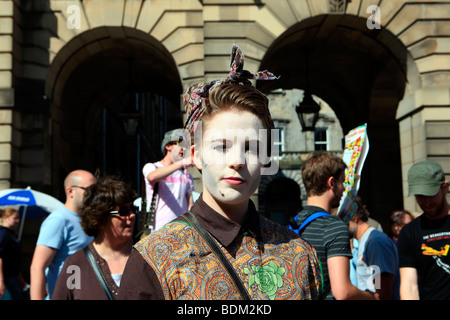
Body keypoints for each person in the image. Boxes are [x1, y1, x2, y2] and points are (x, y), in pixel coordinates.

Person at [118, 44, 322, 300]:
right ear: (196, 156)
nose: (237, 161)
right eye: (221, 146)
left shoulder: (300, 254)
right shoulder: (154, 259)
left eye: (252, 148)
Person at [293, 151, 378, 300]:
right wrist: (371, 297)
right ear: (332, 183)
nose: (344, 188)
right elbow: (343, 292)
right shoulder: (334, 227)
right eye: (342, 182)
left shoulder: (291, 223)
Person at [52, 176, 136, 300]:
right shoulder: (75, 266)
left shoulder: (146, 261)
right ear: (100, 218)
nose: (132, 215)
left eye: (132, 209)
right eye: (123, 211)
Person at [30, 169, 96, 300]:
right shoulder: (59, 220)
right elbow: (37, 267)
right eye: (89, 190)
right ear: (70, 191)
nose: (93, 195)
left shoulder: (88, 220)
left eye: (96, 190)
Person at [397, 160, 450, 300]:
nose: (426, 202)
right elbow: (409, 285)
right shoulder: (409, 233)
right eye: (420, 196)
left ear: (445, 187)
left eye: (431, 194)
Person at [142, 128, 194, 231]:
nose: (183, 148)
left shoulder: (186, 174)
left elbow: (190, 204)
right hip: (158, 230)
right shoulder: (152, 167)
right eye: (180, 144)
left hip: (181, 230)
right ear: (168, 146)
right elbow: (152, 177)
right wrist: (182, 163)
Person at [349, 198, 400, 300]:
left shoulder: (375, 241)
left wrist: (350, 293)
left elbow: (382, 293)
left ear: (355, 218)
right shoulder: (365, 241)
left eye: (343, 221)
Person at [0, 208, 25, 300]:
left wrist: (19, 276)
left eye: (19, 218)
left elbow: (14, 259)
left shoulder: (10, 234)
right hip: (6, 278)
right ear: (5, 218)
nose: (18, 221)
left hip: (12, 277)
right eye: (15, 218)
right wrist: (1, 281)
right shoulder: (3, 234)